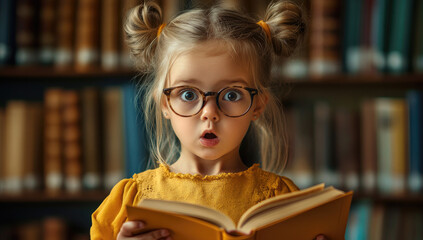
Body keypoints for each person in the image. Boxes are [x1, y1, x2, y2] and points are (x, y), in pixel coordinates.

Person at [91, 1, 327, 240]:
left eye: (232, 94)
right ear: (165, 104)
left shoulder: (280, 201)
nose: (209, 112)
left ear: (257, 105)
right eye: (188, 94)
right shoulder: (130, 201)